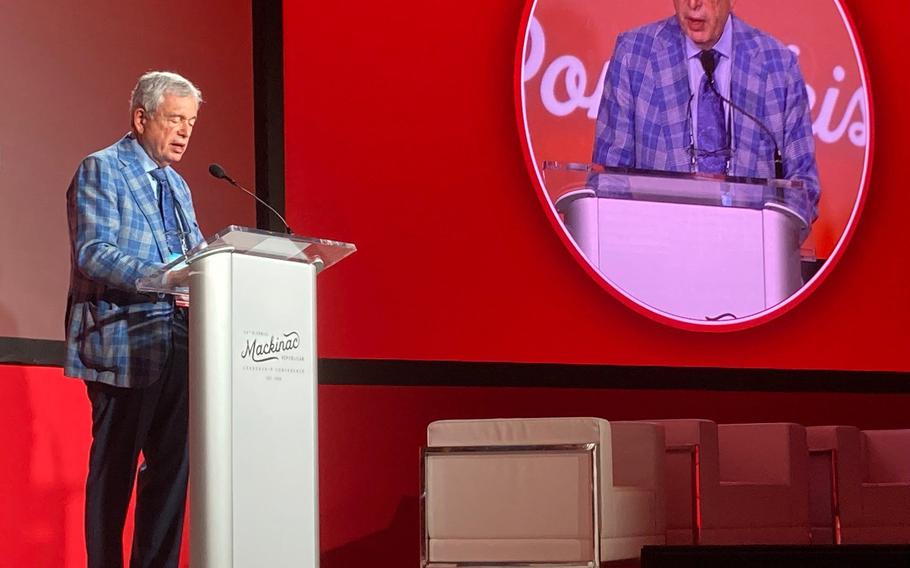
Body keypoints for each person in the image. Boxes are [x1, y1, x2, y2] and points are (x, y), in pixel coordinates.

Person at [64, 71, 205, 567]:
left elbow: (198, 257)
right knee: (114, 473)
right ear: (142, 118)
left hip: (182, 342)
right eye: (174, 119)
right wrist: (165, 278)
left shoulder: (180, 186)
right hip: (123, 344)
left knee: (170, 473)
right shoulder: (101, 169)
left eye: (190, 122)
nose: (185, 132)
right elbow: (94, 253)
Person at [592, 0, 820, 222]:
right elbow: (608, 180)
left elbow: (803, 188)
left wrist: (771, 234)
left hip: (746, 250)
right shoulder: (633, 56)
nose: (693, 4)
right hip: (658, 246)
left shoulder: (778, 66)